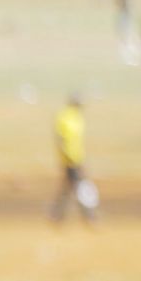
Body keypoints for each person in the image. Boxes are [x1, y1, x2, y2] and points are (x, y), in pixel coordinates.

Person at [50, 94, 99, 226]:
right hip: (71, 160)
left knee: (67, 188)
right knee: (81, 187)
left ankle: (56, 215)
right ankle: (89, 216)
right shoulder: (67, 118)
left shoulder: (76, 118)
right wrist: (71, 159)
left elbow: (76, 142)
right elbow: (63, 140)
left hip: (74, 159)